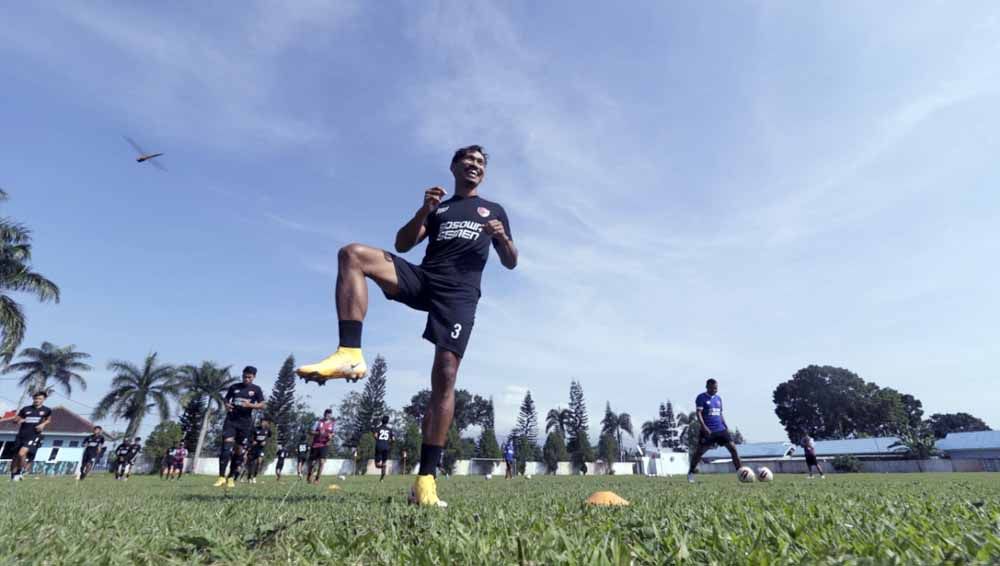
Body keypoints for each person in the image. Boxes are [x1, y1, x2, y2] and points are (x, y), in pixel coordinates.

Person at [296, 145, 517, 507]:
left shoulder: (494, 211)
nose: (474, 166)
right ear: (454, 167)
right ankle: (349, 353)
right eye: (468, 160)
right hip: (425, 278)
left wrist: (502, 237)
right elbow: (402, 243)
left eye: (480, 162)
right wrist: (424, 210)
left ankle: (425, 480)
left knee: (445, 374)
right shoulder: (441, 208)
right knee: (352, 254)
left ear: (483, 172)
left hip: (460, 294)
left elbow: (510, 262)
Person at [213, 366, 265, 488]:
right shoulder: (234, 387)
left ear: (253, 377)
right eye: (244, 376)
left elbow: (262, 405)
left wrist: (250, 405)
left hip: (245, 423)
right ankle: (221, 477)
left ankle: (231, 477)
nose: (246, 379)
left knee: (238, 451)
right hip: (231, 420)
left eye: (249, 377)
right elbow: (226, 399)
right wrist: (227, 405)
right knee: (226, 447)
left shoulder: (256, 390)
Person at [687, 379, 742, 483]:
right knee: (699, 452)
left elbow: (720, 414)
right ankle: (691, 473)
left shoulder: (718, 399)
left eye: (716, 388)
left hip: (721, 429)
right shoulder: (701, 397)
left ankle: (741, 472)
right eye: (713, 388)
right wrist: (704, 427)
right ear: (707, 387)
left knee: (733, 449)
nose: (715, 390)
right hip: (708, 431)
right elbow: (698, 413)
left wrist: (725, 426)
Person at [1, 392, 52, 481]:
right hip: (21, 435)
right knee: (16, 457)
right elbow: (16, 420)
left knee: (22, 453)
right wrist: (18, 420)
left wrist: (43, 424)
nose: (37, 400)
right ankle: (13, 476)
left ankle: (20, 472)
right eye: (36, 398)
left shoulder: (47, 410)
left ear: (43, 400)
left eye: (40, 399)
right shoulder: (26, 409)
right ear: (33, 399)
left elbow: (48, 420)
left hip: (33, 435)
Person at [307, 409, 335, 484]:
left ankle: (317, 479)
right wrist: (318, 433)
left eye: (329, 414)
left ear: (330, 415)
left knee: (322, 462)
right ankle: (310, 474)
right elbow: (310, 432)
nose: (328, 415)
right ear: (324, 414)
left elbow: (333, 433)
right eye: (326, 414)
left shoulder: (332, 424)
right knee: (312, 463)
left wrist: (331, 436)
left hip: (325, 445)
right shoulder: (318, 422)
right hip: (316, 444)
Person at [246, 419, 272, 484]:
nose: (263, 423)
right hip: (254, 448)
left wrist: (265, 442)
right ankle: (249, 477)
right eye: (262, 422)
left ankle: (254, 477)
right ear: (260, 423)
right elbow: (250, 437)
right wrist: (252, 441)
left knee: (259, 462)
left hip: (261, 449)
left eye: (264, 422)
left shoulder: (267, 430)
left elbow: (269, 437)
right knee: (251, 464)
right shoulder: (255, 429)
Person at [374, 416, 394, 482]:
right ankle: (382, 479)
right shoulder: (390, 429)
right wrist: (389, 443)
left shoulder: (378, 428)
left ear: (381, 421)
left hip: (379, 446)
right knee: (384, 462)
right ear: (387, 422)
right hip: (386, 447)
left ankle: (382, 466)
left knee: (377, 465)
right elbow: (393, 439)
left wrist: (378, 440)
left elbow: (375, 436)